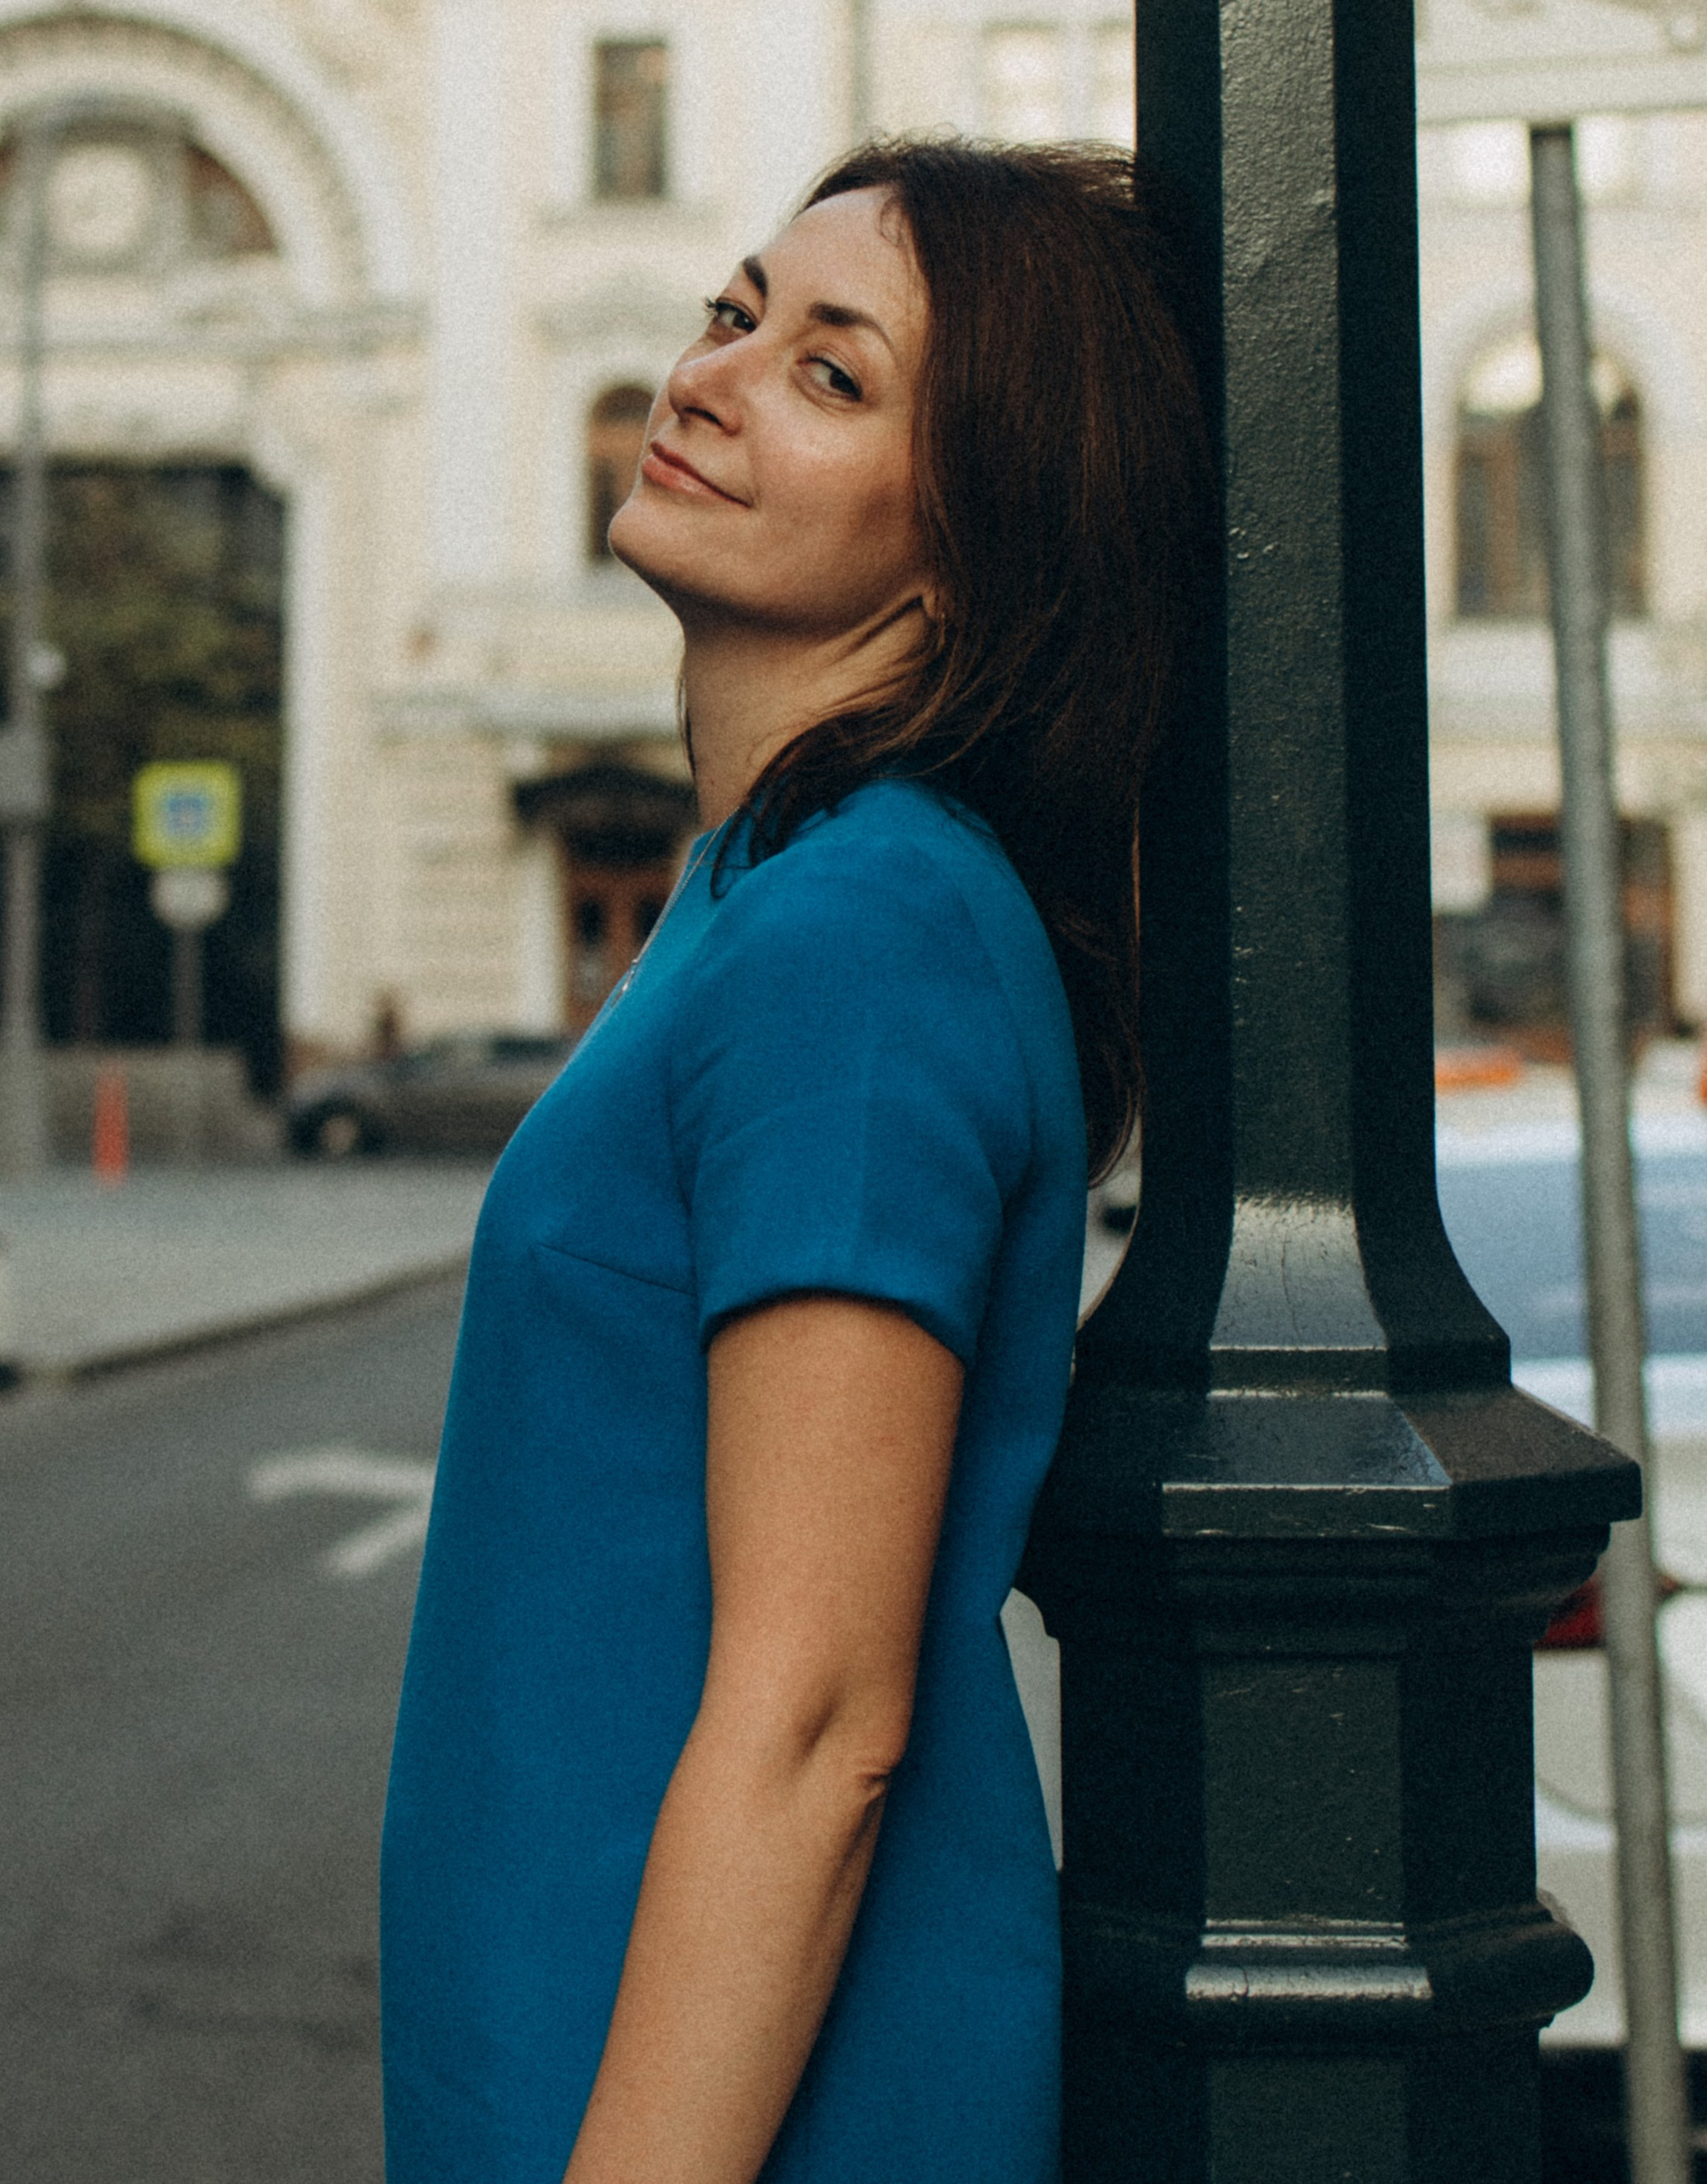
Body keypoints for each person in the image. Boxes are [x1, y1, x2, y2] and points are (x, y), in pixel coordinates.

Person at [379, 136, 1211, 2184]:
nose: (708, 376)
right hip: (599, 2042)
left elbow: (821, 1716)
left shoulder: (860, 938)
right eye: (732, 315)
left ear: (975, 546)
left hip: (722, 2112)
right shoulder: (772, 897)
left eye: (829, 374)